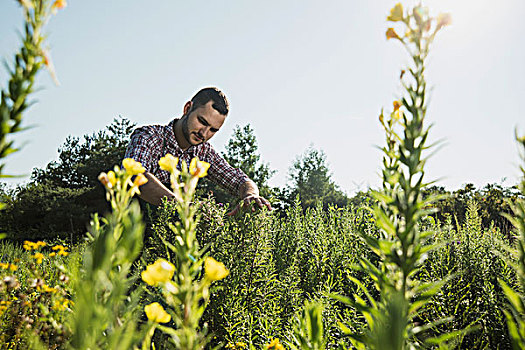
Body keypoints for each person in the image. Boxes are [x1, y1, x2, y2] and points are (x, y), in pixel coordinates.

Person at [124, 87, 272, 215]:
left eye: (213, 130)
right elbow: (135, 176)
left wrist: (251, 195)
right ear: (187, 108)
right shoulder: (149, 136)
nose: (204, 133)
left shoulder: (204, 153)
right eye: (202, 122)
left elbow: (239, 179)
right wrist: (186, 209)